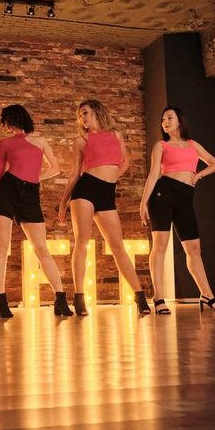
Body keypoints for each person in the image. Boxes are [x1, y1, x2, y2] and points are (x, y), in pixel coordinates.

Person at [58, 99, 148, 316]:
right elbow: (75, 173)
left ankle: (140, 296)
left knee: (118, 246)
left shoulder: (116, 135)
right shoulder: (81, 140)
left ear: (97, 111)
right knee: (82, 242)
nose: (82, 118)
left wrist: (112, 178)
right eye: (80, 116)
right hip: (85, 190)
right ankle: (79, 297)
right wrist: (63, 201)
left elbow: (125, 161)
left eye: (85, 113)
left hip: (106, 192)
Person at [139, 107, 215, 313]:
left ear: (180, 120)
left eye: (169, 117)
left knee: (194, 248)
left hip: (185, 198)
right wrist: (143, 202)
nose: (165, 122)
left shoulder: (192, 145)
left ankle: (207, 294)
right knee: (160, 246)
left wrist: (198, 176)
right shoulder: (161, 146)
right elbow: (153, 175)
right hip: (163, 195)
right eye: (163, 119)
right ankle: (159, 298)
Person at [0, 104, 63, 318]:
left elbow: (55, 168)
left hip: (29, 194)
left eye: (8, 122)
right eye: (6, 124)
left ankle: (61, 299)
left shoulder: (40, 141)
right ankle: (1, 301)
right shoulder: (5, 143)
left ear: (16, 119)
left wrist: (36, 178)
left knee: (41, 248)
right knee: (2, 246)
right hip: (6, 191)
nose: (7, 127)